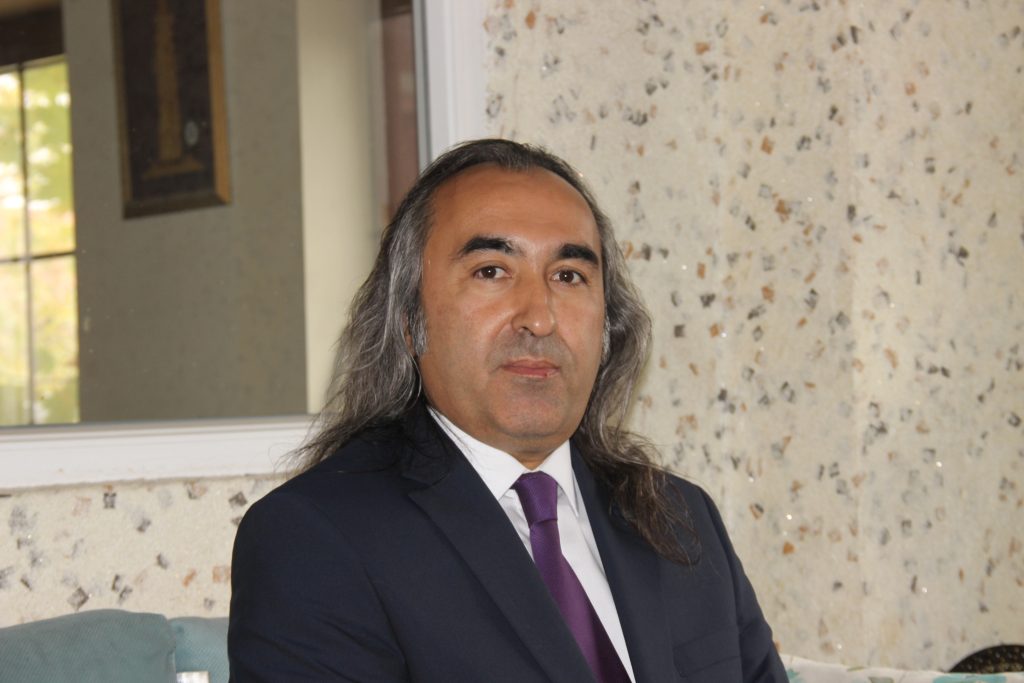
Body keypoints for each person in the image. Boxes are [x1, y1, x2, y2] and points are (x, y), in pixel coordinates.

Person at [228, 139, 787, 682]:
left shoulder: (680, 519)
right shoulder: (318, 539)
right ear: (409, 321)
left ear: (606, 329)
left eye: (568, 276)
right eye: (491, 271)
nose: (539, 317)